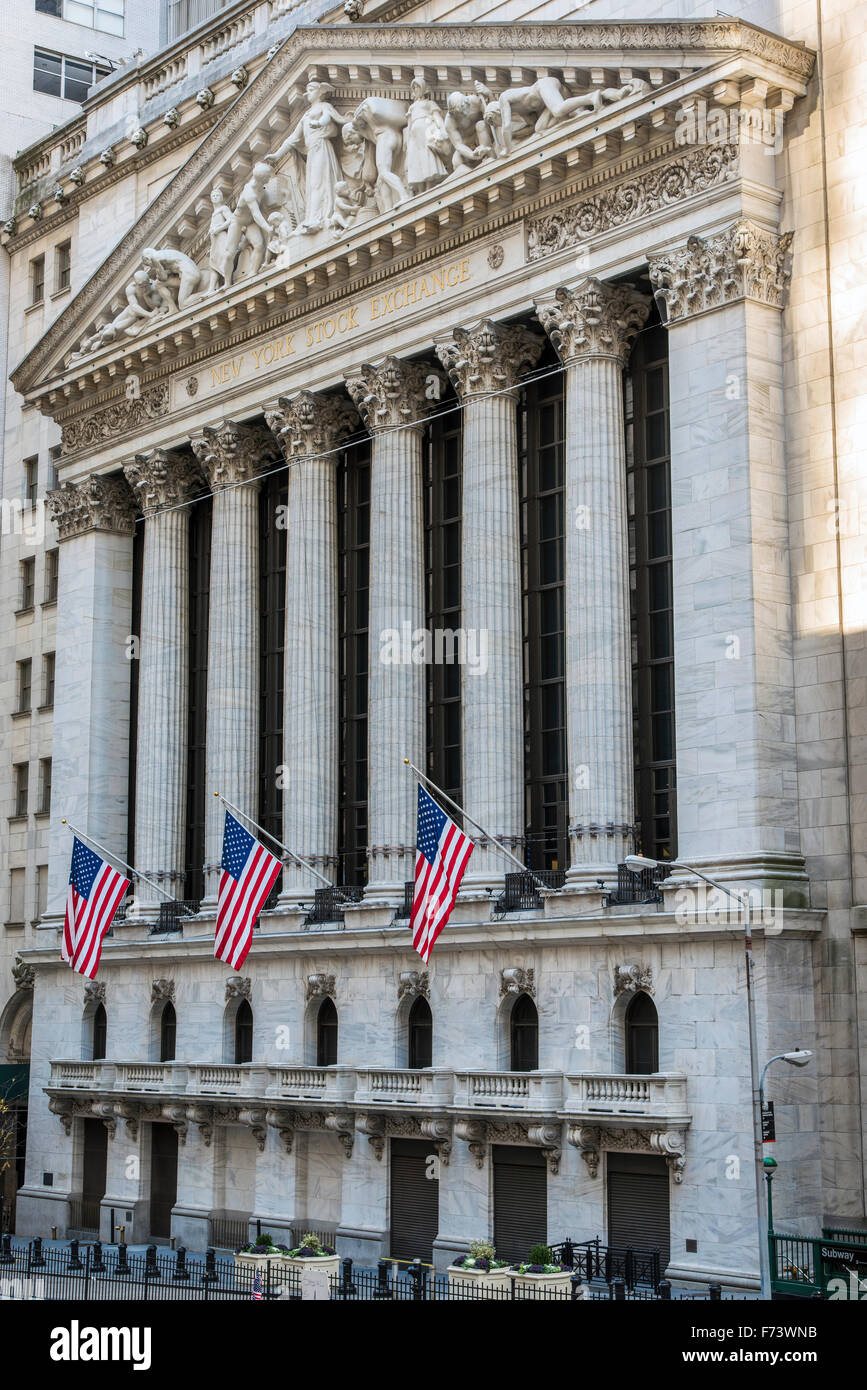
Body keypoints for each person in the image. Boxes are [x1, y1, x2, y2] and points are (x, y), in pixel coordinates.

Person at [268, 81, 349, 233]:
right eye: (307, 90)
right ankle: (312, 217)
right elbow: (292, 138)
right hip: (313, 151)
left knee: (318, 182)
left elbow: (328, 118)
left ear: (319, 92)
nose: (308, 93)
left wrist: (319, 123)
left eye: (311, 90)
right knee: (312, 185)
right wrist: (277, 154)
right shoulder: (305, 115)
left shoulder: (324, 106)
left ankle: (320, 217)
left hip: (321, 147)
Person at [217, 163, 274, 285]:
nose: (269, 178)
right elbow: (256, 214)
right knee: (228, 254)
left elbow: (261, 212)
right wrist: (267, 228)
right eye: (268, 177)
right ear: (262, 178)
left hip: (249, 223)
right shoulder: (250, 192)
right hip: (237, 222)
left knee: (259, 245)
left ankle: (253, 273)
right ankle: (227, 283)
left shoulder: (261, 189)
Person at [404, 80, 450, 192]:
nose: (415, 90)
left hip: (426, 132)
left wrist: (443, 130)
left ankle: (429, 186)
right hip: (414, 137)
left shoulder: (429, 103)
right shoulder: (412, 107)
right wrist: (407, 140)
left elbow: (437, 118)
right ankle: (420, 189)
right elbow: (409, 125)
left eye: (417, 87)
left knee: (427, 156)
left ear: (423, 89)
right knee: (416, 158)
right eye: (413, 88)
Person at [140, 245, 203, 312]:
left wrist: (157, 270)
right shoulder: (164, 254)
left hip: (189, 274)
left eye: (148, 264)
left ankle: (206, 292)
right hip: (189, 273)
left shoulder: (154, 257)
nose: (151, 266)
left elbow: (163, 277)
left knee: (183, 304)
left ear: (146, 259)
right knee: (158, 284)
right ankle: (172, 308)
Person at [206, 187, 234, 291]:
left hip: (222, 237)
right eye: (213, 196)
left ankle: (227, 282)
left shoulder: (224, 208)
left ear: (221, 198)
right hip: (215, 241)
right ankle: (211, 288)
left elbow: (231, 220)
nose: (215, 197)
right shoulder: (214, 213)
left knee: (223, 258)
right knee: (213, 262)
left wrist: (218, 229)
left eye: (217, 195)